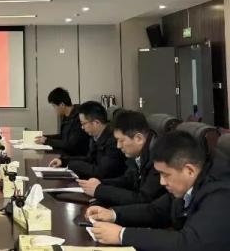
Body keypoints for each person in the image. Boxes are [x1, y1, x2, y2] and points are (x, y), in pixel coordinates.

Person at [86, 131, 230, 251]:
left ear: (189, 170)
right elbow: (155, 211)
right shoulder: (189, 184)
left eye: (165, 174)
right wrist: (113, 214)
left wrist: (122, 235)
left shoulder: (221, 193)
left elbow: (189, 243)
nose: (162, 182)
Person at [77, 110, 166, 205]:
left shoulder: (160, 159)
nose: (118, 146)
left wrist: (99, 190)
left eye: (121, 140)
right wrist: (100, 183)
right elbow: (128, 179)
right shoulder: (139, 152)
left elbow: (143, 199)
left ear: (139, 139)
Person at [49, 101, 125, 179]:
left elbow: (101, 172)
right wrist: (63, 161)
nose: (82, 127)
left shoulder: (113, 141)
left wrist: (72, 165)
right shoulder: (95, 136)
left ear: (96, 123)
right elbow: (89, 159)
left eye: (83, 123)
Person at [35, 87, 89, 156]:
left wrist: (47, 141)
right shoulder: (66, 116)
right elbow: (62, 137)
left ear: (62, 105)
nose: (54, 109)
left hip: (77, 156)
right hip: (66, 153)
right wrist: (44, 137)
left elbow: (70, 144)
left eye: (54, 106)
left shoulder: (79, 117)